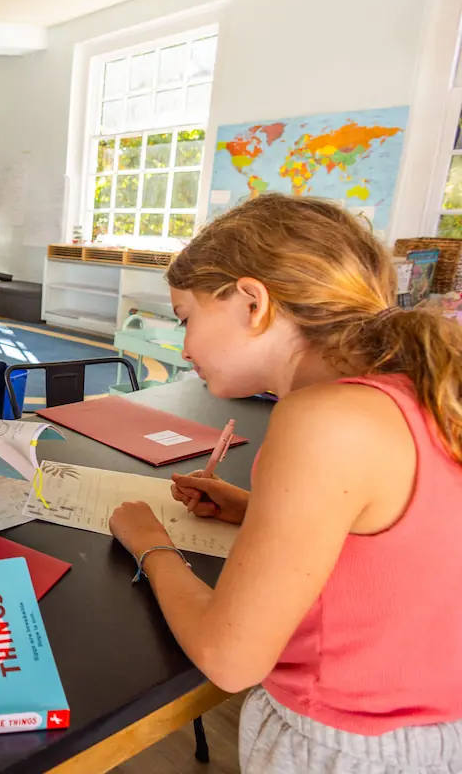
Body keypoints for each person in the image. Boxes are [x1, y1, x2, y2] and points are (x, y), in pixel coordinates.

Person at [107, 194, 462, 773]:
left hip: (341, 746)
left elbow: (229, 659)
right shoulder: (414, 392)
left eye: (186, 318)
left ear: (253, 302)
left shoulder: (323, 419)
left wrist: (150, 543)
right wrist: (258, 509)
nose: (184, 346)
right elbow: (400, 550)